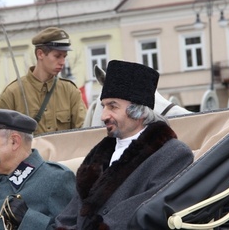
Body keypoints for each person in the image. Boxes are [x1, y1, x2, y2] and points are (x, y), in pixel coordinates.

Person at [54, 60, 194, 229]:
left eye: (113, 107)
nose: (103, 116)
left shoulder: (173, 155)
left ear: (138, 111)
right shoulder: (99, 154)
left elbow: (140, 216)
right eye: (103, 106)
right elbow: (68, 217)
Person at [0, 27, 87, 135]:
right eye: (57, 56)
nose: (63, 62)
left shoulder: (70, 91)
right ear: (40, 54)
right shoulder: (12, 94)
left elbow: (84, 131)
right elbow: (0, 139)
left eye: (64, 56)